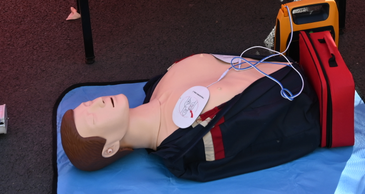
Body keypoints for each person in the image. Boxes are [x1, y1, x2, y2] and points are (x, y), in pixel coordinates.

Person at [60, 53, 319, 181]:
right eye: (93, 118)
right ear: (110, 148)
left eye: (88, 103)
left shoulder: (157, 87)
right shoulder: (189, 145)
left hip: (290, 61)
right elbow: (284, 126)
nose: (98, 103)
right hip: (307, 89)